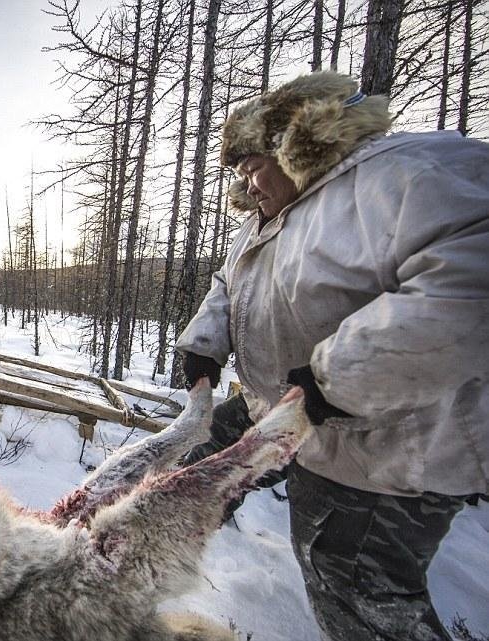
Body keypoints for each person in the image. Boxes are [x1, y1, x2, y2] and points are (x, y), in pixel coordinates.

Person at [175, 71, 489, 641]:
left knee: (350, 578)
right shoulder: (266, 219)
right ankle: (158, 545)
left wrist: (335, 380)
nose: (246, 180)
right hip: (282, 410)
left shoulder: (409, 170)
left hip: (384, 445)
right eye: (239, 171)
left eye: (252, 164)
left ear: (295, 143)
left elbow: (469, 285)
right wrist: (203, 344)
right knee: (200, 462)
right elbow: (229, 284)